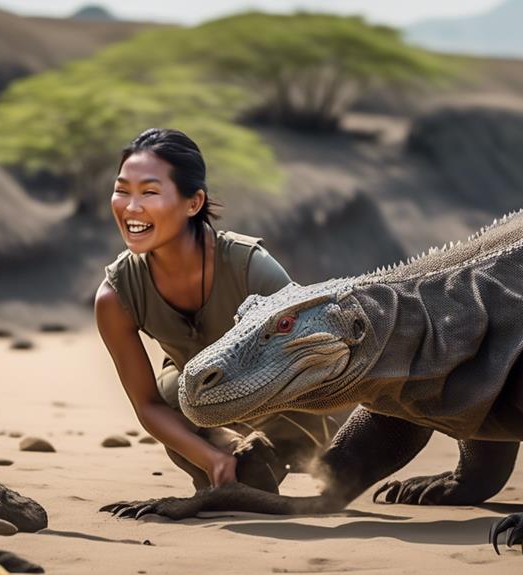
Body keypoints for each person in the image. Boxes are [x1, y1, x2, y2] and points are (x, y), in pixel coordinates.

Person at [95, 128, 343, 493]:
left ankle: (274, 453)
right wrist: (212, 457)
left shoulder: (250, 267)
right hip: (203, 412)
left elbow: (314, 349)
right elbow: (147, 405)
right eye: (122, 190)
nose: (131, 207)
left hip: (288, 403)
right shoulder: (115, 296)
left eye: (149, 192)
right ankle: (235, 458)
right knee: (171, 389)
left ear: (193, 203)